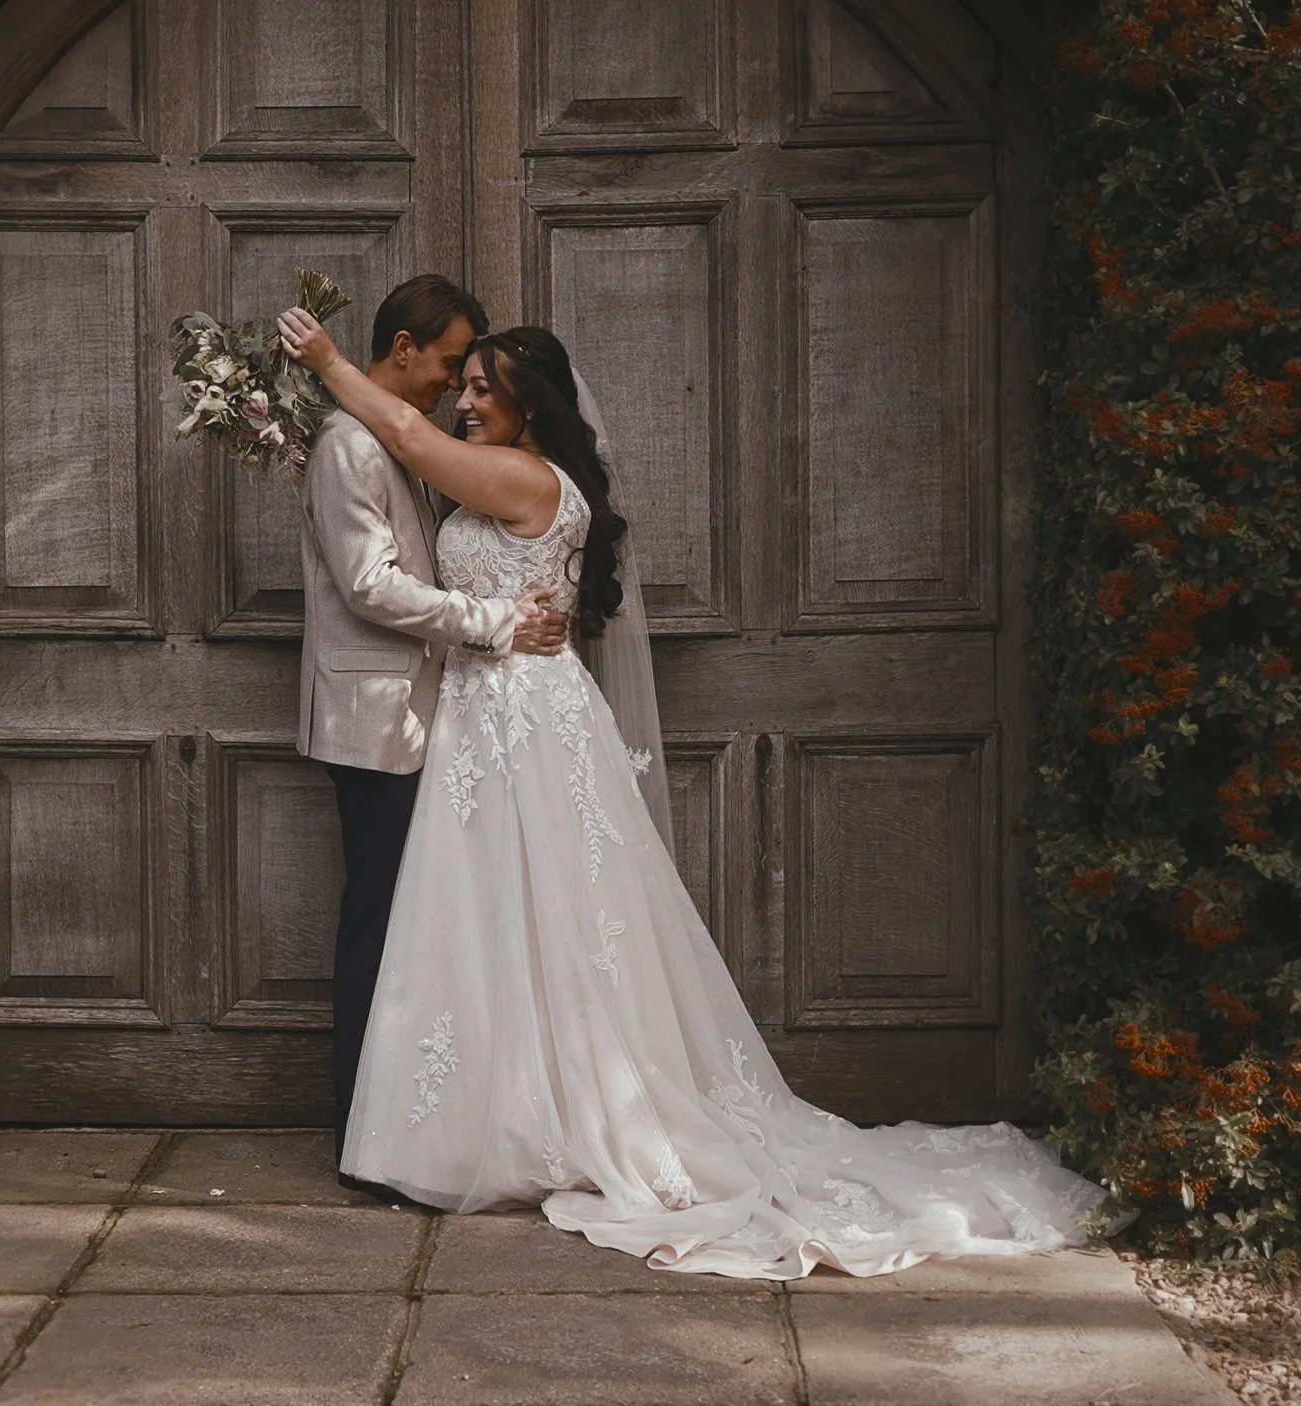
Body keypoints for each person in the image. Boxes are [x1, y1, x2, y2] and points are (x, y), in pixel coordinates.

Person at [278, 306, 1117, 1279]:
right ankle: (481, 1113)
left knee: (540, 914)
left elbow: (409, 437)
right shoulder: (520, 472)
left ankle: (537, 1120)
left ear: (530, 410)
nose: (462, 400)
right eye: (460, 383)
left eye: (482, 389)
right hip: (484, 712)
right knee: (489, 920)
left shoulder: (521, 476)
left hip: (516, 717)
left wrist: (326, 360)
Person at [294, 274, 570, 1179]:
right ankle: (359, 1133)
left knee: (425, 924)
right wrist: (495, 622)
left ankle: (418, 1122)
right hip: (377, 718)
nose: (457, 387)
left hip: (436, 719)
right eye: (453, 364)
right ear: (403, 348)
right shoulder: (349, 442)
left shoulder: (400, 441)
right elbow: (371, 586)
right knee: (380, 920)